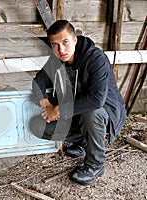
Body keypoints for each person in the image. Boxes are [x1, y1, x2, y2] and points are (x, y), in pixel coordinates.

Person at [31, 20, 127, 185]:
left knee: (91, 113)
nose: (61, 49)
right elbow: (37, 82)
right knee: (38, 126)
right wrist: (46, 104)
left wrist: (59, 110)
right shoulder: (57, 61)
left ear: (75, 40)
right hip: (77, 111)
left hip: (107, 112)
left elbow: (96, 100)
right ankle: (82, 141)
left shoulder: (95, 58)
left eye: (65, 42)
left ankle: (96, 164)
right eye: (55, 45)